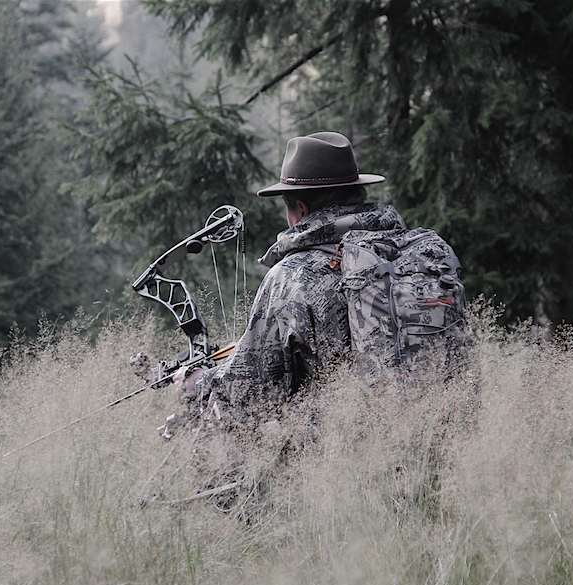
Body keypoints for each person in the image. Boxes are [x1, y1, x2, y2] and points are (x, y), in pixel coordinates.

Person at [174, 131, 407, 433]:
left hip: (346, 450)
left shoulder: (292, 275)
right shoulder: (420, 249)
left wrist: (198, 381)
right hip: (436, 431)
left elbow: (248, 393)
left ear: (301, 210)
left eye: (287, 208)